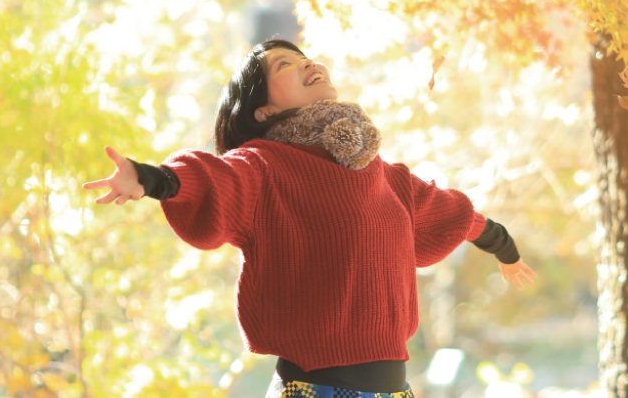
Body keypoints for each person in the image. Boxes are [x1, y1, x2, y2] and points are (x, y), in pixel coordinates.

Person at [83, 39, 536, 398]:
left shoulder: (386, 178)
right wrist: (152, 179)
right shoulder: (264, 167)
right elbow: (214, 179)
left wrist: (503, 246)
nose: (307, 63)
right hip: (313, 390)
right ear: (265, 110)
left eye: (305, 57)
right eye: (284, 64)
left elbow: (453, 214)